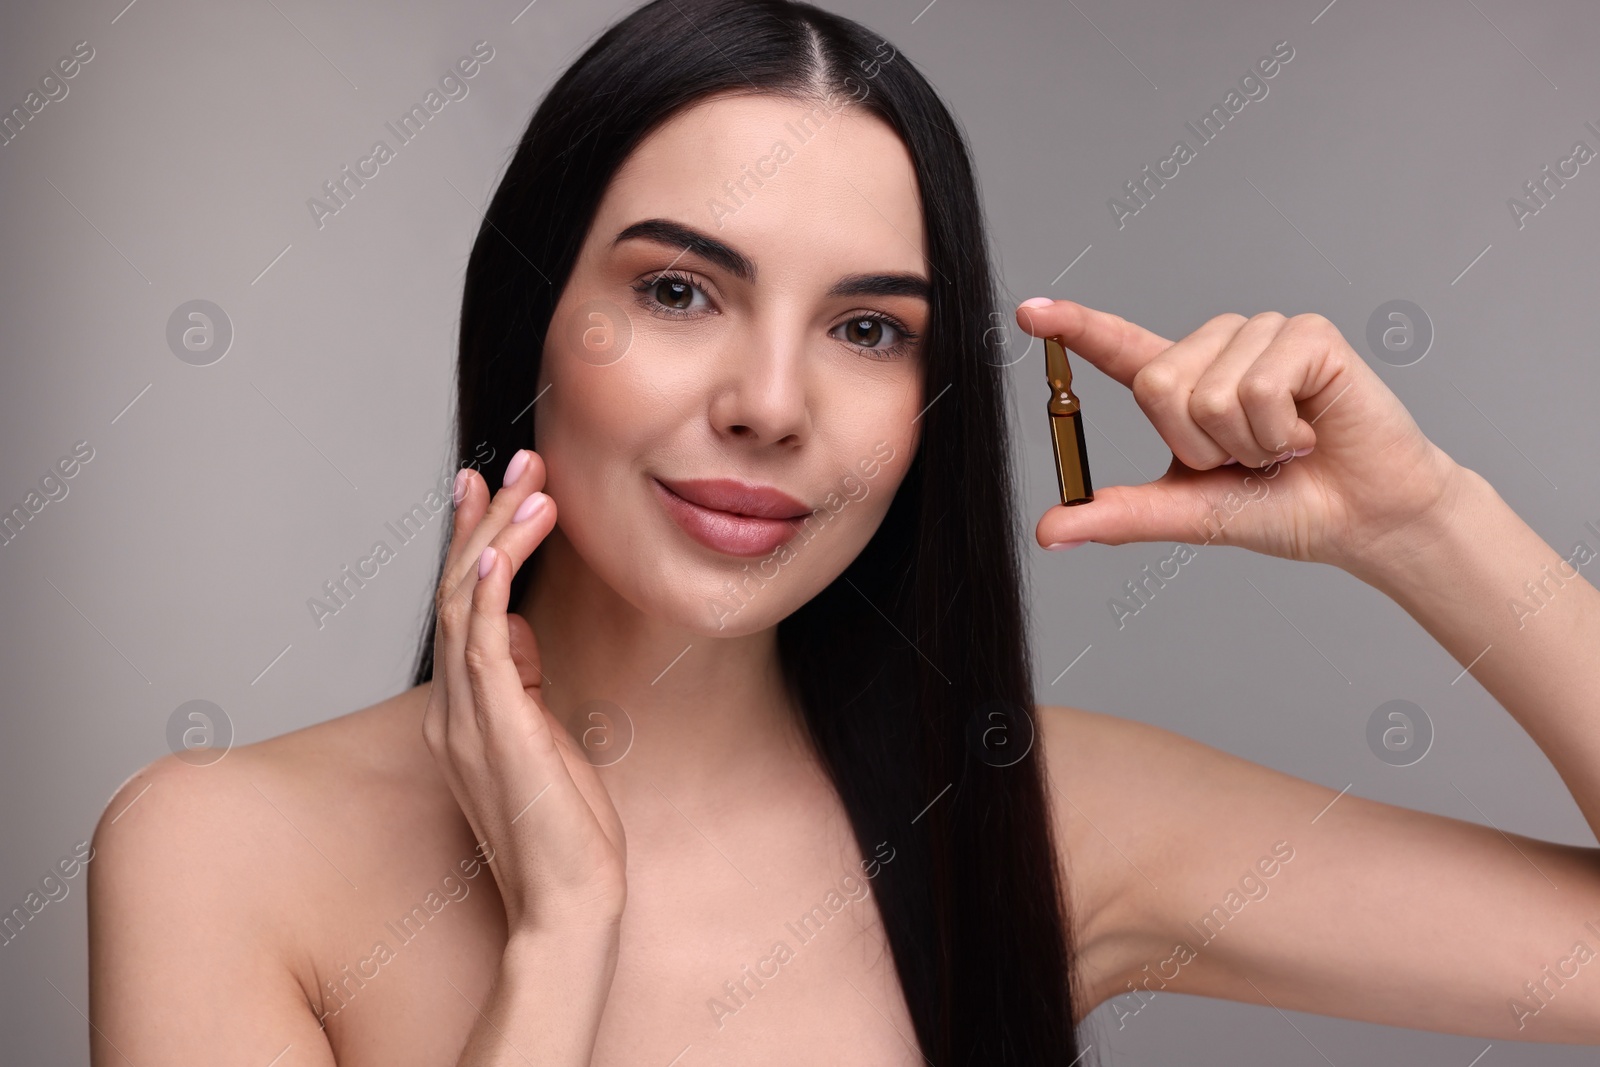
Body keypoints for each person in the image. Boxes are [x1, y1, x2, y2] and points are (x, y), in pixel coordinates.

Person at [87, 0, 1600, 1063]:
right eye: (679, 291)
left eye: (868, 329)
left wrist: (1423, 523)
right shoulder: (221, 860)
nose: (770, 402)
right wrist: (560, 942)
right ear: (530, 317)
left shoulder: (1037, 819)